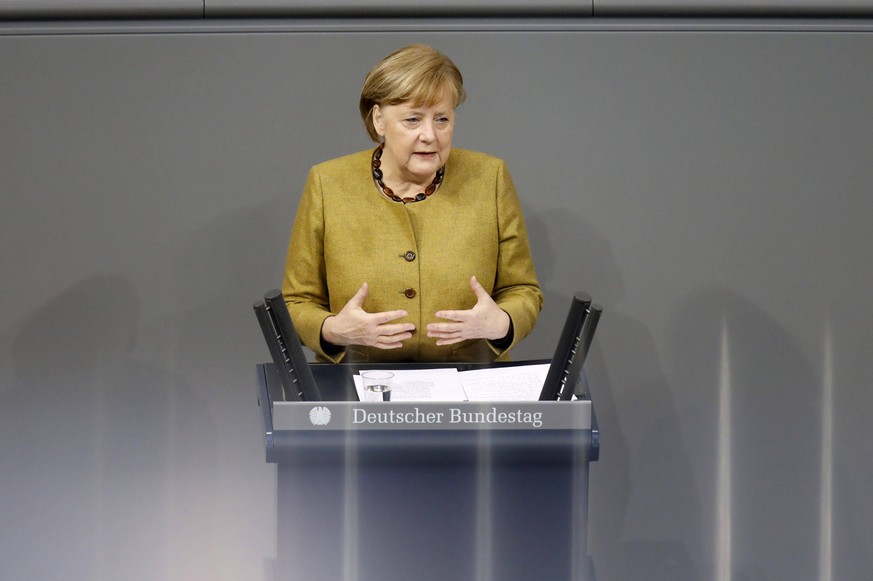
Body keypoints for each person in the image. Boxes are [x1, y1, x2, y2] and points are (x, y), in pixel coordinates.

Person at [282, 44, 542, 363]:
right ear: (379, 120)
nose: (430, 134)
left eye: (442, 119)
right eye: (413, 120)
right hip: (359, 386)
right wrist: (334, 330)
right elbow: (297, 302)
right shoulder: (328, 183)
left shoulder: (490, 177)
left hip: (471, 383)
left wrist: (502, 322)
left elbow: (524, 290)